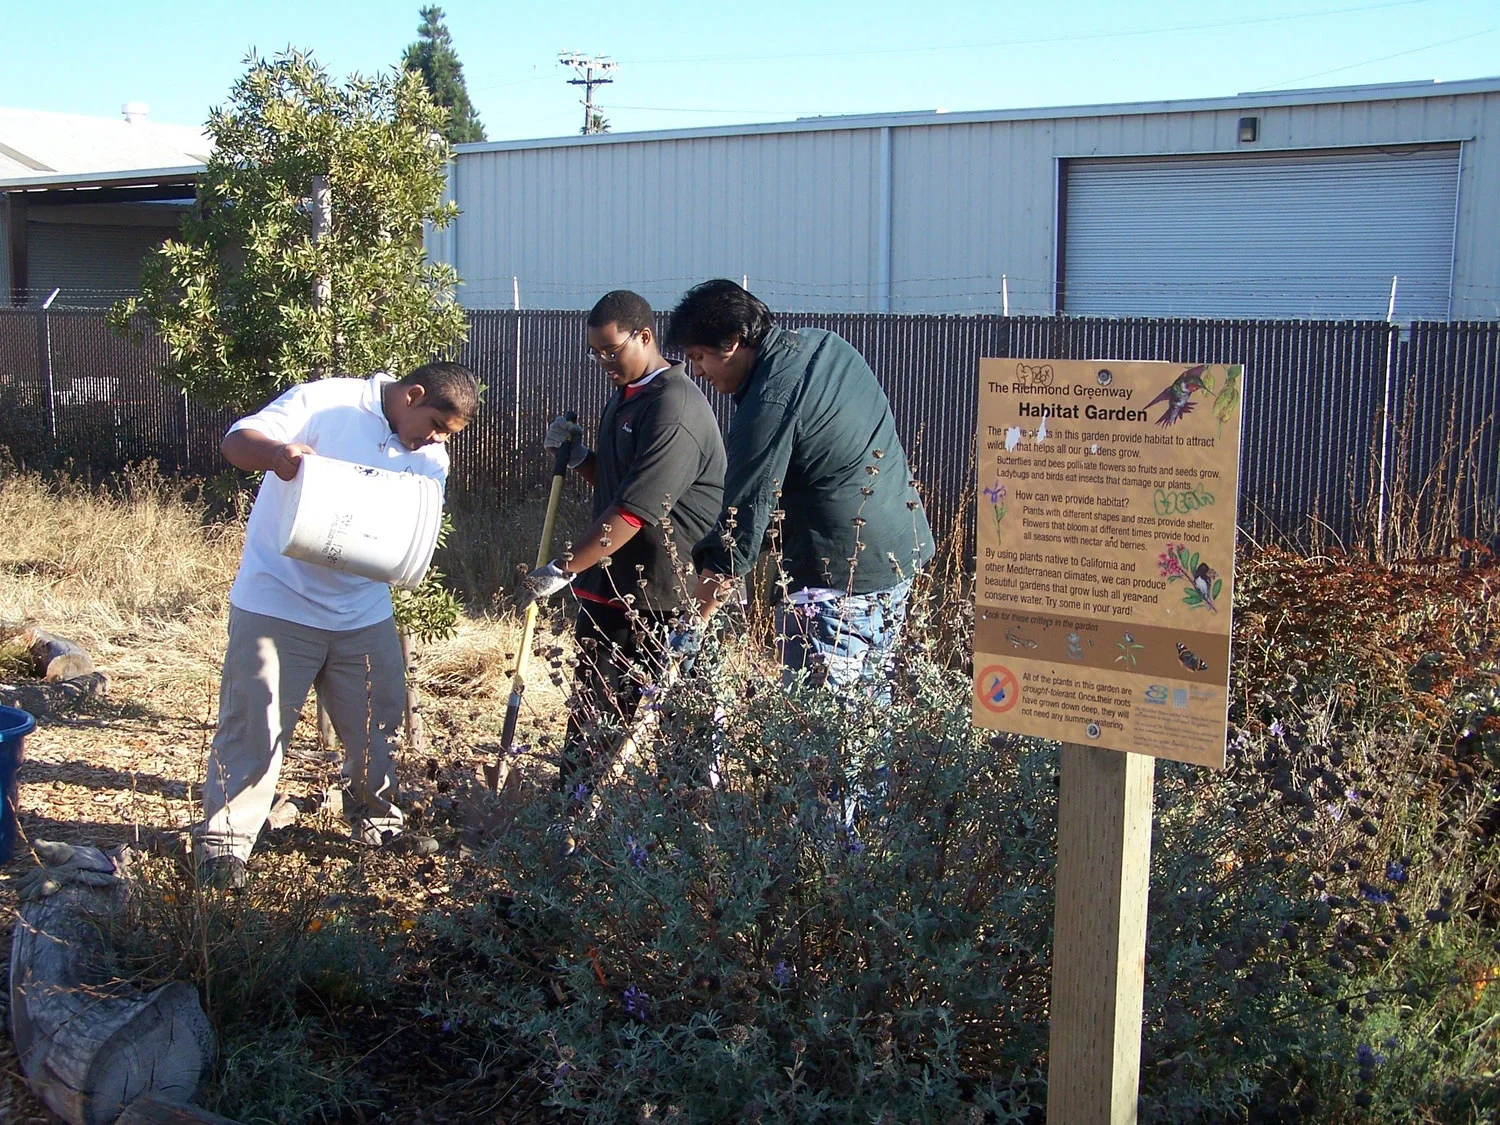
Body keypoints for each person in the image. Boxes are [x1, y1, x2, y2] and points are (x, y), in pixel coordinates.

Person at [194, 362, 479, 889]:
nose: (437, 441)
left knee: (378, 727)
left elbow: (407, 537)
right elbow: (238, 441)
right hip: (278, 602)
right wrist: (278, 456)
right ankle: (224, 846)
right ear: (412, 395)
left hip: (363, 612)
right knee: (254, 724)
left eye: (447, 434)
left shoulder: (430, 457)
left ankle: (378, 827)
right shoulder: (327, 403)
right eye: (436, 425)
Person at [665, 279, 934, 699]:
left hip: (835, 578)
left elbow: (739, 525)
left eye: (700, 357)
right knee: (869, 714)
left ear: (734, 342)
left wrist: (692, 625)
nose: (697, 371)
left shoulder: (769, 405)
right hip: (899, 554)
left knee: (822, 735)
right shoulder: (822, 345)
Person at [521, 290, 726, 787]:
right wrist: (579, 458)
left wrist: (564, 568)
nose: (604, 363)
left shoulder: (674, 406)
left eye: (612, 351)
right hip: (613, 587)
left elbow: (635, 511)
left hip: (665, 598)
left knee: (680, 728)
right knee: (591, 714)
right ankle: (572, 819)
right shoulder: (630, 394)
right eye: (595, 354)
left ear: (645, 337)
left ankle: (686, 831)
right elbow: (620, 485)